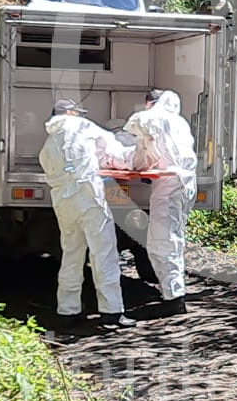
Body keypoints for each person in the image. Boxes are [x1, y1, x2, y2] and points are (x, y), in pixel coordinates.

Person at [39, 99, 136, 327]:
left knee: (72, 254)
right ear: (71, 113)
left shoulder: (48, 145)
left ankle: (67, 310)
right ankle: (111, 311)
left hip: (64, 203)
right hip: (89, 198)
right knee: (103, 253)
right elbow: (114, 149)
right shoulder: (82, 128)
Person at [124, 89, 197, 316]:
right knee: (174, 237)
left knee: (161, 242)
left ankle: (174, 298)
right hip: (186, 183)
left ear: (149, 103)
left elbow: (142, 149)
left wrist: (136, 164)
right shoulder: (179, 121)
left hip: (168, 185)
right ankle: (174, 291)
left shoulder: (151, 118)